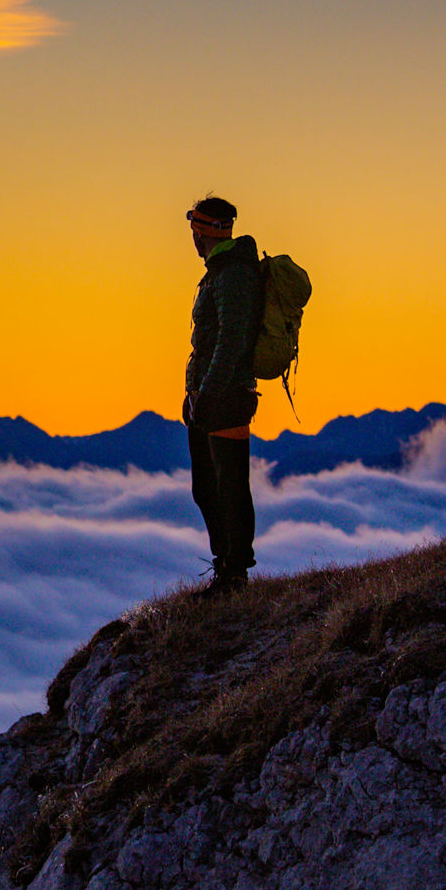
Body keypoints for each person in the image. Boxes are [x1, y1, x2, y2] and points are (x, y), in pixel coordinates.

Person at [184, 195, 260, 593]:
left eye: (194, 228)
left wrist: (208, 394)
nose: (191, 238)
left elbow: (231, 341)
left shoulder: (233, 276)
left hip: (226, 399)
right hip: (207, 399)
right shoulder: (220, 272)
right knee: (207, 487)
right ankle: (225, 564)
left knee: (229, 486)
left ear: (204, 231)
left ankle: (235, 572)